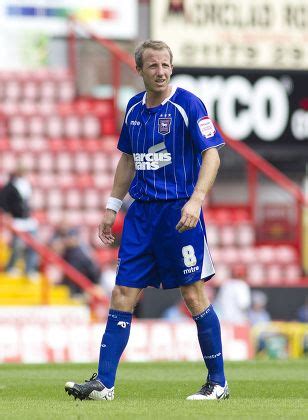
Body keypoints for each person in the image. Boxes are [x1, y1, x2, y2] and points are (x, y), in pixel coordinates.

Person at [65, 40, 229, 401]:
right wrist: (112, 207)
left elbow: (212, 155)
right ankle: (104, 383)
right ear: (138, 70)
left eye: (166, 65)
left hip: (178, 214)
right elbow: (128, 160)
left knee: (192, 292)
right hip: (141, 215)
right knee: (122, 292)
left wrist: (196, 201)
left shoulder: (188, 104)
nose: (161, 72)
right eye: (153, 66)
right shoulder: (134, 108)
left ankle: (218, 382)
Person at [0, 167, 39, 279]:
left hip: (27, 220)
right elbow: (2, 201)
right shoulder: (10, 186)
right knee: (17, 245)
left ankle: (29, 269)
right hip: (17, 220)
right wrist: (7, 214)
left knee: (34, 245)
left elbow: (26, 202)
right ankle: (11, 267)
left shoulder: (27, 184)